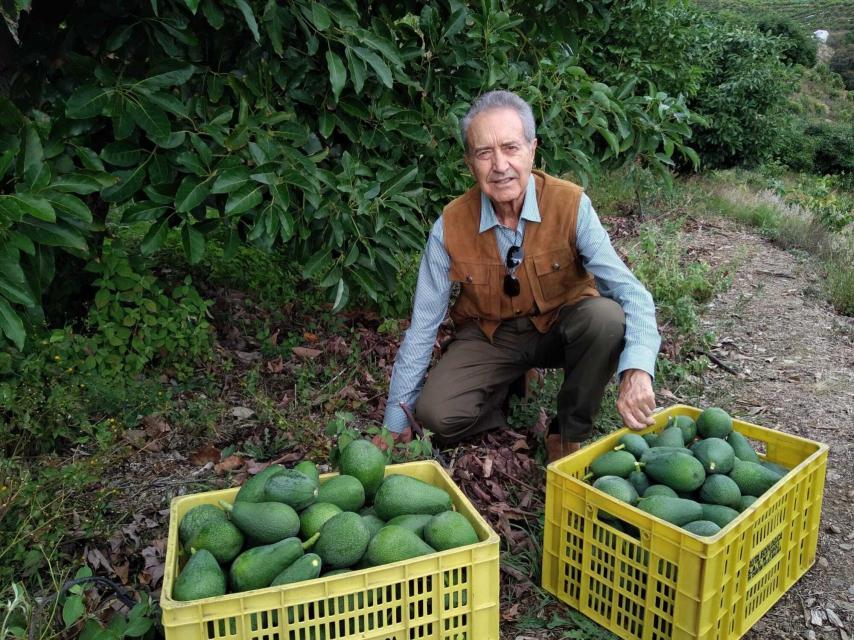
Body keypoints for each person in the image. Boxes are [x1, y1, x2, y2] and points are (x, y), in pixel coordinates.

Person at [382, 90, 660, 462]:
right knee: (436, 418)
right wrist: (392, 423)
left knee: (605, 319)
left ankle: (566, 433)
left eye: (511, 148)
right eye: (484, 153)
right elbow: (422, 328)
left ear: (532, 150)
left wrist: (638, 369)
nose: (500, 165)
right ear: (469, 163)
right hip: (491, 336)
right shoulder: (449, 226)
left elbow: (631, 294)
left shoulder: (571, 205)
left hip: (560, 328)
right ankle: (506, 392)